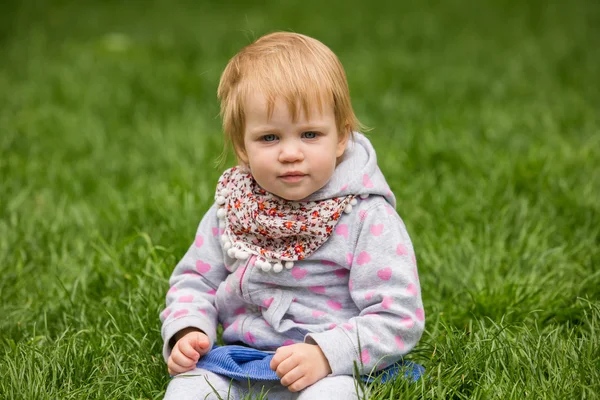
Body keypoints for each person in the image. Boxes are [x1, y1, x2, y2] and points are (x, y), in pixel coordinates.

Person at [160, 31, 425, 399]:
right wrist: (188, 330)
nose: (290, 153)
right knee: (187, 391)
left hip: (330, 368)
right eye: (269, 138)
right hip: (240, 362)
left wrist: (327, 355)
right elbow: (196, 281)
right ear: (242, 147)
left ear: (341, 138)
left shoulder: (365, 217)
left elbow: (398, 315)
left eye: (310, 134)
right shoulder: (235, 208)